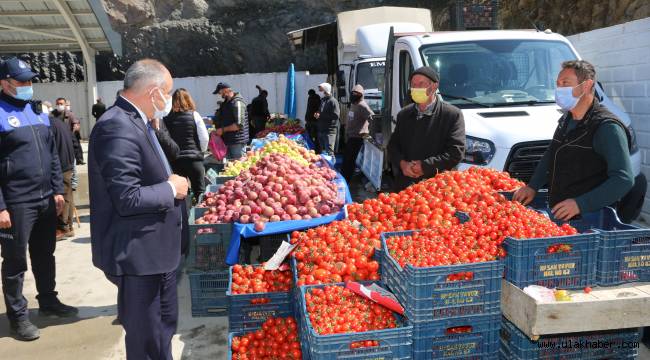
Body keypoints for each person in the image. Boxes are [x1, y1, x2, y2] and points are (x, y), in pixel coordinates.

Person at [88, 59, 189, 359]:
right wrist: (171, 189)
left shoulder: (139, 121)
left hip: (157, 253)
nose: (168, 100)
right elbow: (127, 197)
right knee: (146, 339)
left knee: (161, 333)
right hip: (140, 257)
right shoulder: (116, 126)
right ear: (154, 92)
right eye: (168, 93)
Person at [0, 57, 78, 341]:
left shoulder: (38, 112)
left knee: (45, 254)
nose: (27, 86)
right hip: (16, 202)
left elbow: (52, 155)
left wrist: (58, 190)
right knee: (15, 261)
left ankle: (48, 300)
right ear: (4, 83)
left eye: (29, 80)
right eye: (21, 81)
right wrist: (1, 207)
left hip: (46, 198)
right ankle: (18, 317)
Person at [513, 60, 634, 221]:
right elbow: (552, 153)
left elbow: (623, 179)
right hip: (563, 215)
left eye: (565, 83)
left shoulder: (607, 127)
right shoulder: (567, 119)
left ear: (586, 85)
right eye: (558, 84)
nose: (559, 89)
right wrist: (533, 186)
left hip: (591, 219)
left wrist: (580, 204)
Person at [387, 66, 466, 192]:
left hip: (438, 187)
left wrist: (424, 166)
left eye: (421, 84)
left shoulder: (452, 115)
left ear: (434, 86)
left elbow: (456, 153)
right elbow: (393, 146)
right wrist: (402, 164)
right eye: (413, 84)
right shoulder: (404, 114)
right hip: (405, 185)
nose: (416, 88)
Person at [164, 88, 209, 199]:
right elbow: (204, 138)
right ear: (189, 100)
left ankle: (185, 215)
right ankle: (200, 215)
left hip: (176, 160)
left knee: (181, 193)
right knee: (200, 191)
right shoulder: (194, 115)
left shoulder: (166, 119)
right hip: (194, 159)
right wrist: (201, 151)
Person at [50, 100, 77, 240]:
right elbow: (74, 142)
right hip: (67, 162)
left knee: (64, 196)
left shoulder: (50, 125)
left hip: (61, 164)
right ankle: (69, 226)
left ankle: (63, 227)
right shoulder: (60, 124)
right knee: (69, 195)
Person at [342, 84, 372, 181]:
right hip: (350, 136)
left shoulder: (362, 105)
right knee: (347, 159)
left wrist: (367, 130)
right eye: (353, 93)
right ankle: (344, 176)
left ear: (361, 94)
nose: (354, 94)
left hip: (357, 137)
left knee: (349, 160)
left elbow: (372, 117)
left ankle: (346, 179)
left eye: (356, 93)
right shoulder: (354, 104)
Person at [213, 82, 249, 160]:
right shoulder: (226, 103)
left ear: (226, 90)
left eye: (220, 92)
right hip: (228, 141)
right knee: (230, 166)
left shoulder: (237, 103)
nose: (220, 94)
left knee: (239, 166)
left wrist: (222, 130)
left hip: (237, 142)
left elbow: (239, 125)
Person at [50, 97, 84, 165]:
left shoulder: (70, 114)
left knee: (71, 162)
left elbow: (76, 123)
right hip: (57, 141)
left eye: (61, 104)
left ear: (65, 104)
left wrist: (76, 127)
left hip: (68, 141)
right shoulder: (52, 115)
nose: (59, 105)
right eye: (57, 104)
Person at [315, 82, 339, 155]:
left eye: (322, 90)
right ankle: (325, 166)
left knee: (329, 152)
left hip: (329, 131)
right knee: (323, 152)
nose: (320, 92)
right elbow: (320, 110)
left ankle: (331, 166)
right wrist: (317, 113)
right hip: (321, 129)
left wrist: (321, 115)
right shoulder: (323, 100)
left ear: (326, 90)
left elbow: (336, 115)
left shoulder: (333, 101)